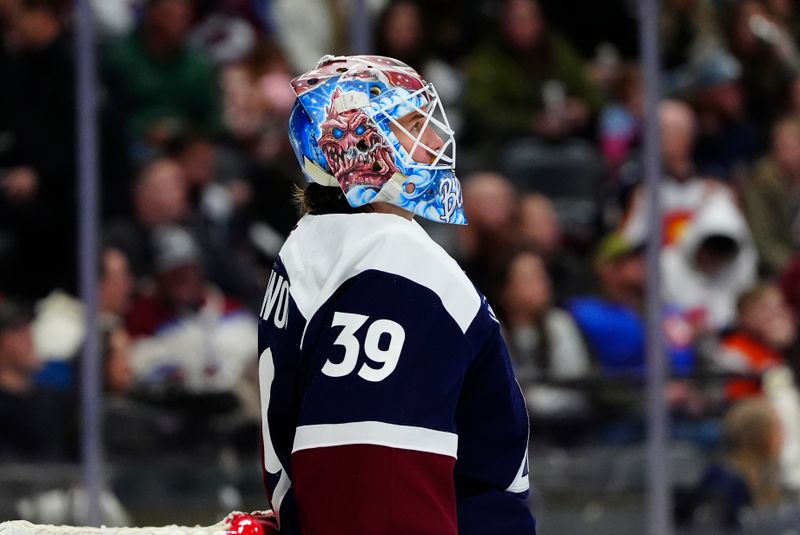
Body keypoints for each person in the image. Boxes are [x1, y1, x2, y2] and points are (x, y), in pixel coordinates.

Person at [258, 55, 535, 534]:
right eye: (411, 125)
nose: (433, 141)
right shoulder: (390, 261)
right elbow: (374, 485)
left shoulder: (311, 244)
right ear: (359, 147)